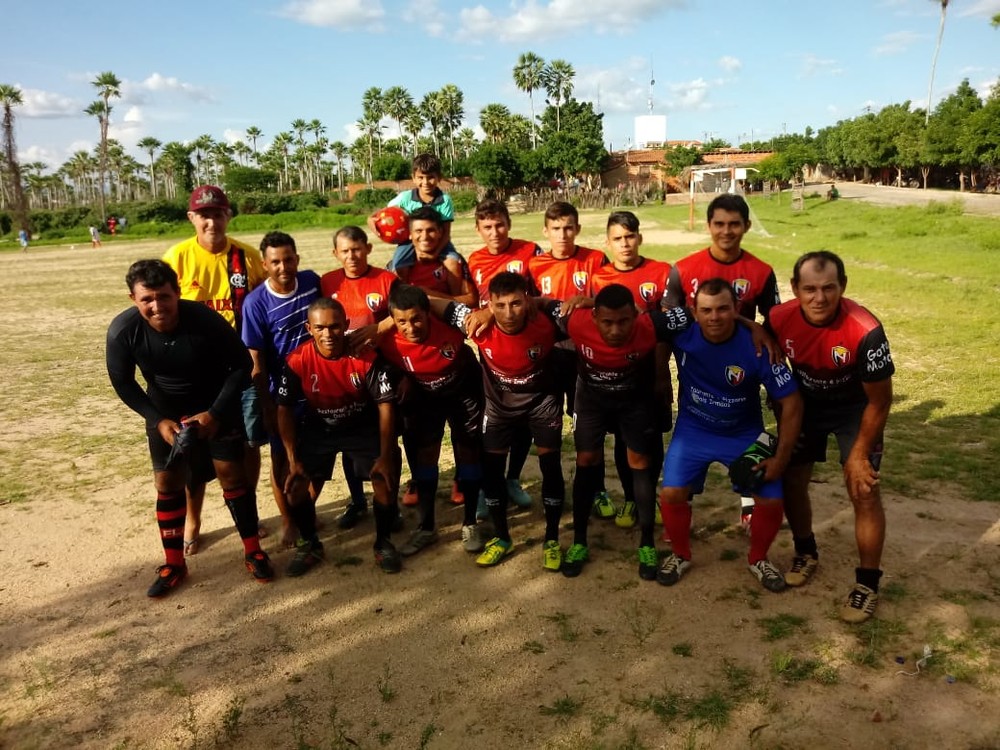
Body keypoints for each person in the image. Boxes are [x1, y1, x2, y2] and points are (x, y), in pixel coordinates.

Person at [106, 260, 272, 598]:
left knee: (232, 475)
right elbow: (123, 382)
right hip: (164, 412)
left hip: (215, 405)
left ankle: (254, 551)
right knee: (167, 482)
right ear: (133, 299)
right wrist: (157, 420)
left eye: (164, 297)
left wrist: (215, 414)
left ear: (177, 293)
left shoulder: (204, 320)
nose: (157, 306)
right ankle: (174, 564)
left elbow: (241, 366)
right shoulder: (123, 331)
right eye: (147, 299)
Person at [767, 251, 894, 622]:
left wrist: (858, 454)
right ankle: (805, 551)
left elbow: (881, 401)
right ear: (795, 288)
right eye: (809, 289)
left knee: (863, 490)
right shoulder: (778, 317)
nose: (819, 298)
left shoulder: (865, 329)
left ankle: (867, 584)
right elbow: (759, 334)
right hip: (807, 405)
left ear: (843, 287)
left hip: (857, 409)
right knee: (792, 479)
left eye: (828, 288)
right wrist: (758, 331)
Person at [656, 279, 802, 592]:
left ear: (736, 309)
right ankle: (680, 554)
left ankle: (758, 558)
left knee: (772, 499)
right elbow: (643, 325)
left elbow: (792, 401)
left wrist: (781, 457)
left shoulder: (759, 346)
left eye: (723, 309)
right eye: (706, 310)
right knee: (671, 493)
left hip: (743, 432)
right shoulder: (682, 334)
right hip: (693, 430)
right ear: (694, 312)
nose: (714, 317)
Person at [557, 284, 693, 580]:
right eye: (607, 322)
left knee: (639, 462)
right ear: (594, 316)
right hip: (592, 403)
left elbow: (696, 313)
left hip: (633, 402)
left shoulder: (652, 323)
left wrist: (753, 327)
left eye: (623, 321)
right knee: (586, 460)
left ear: (636, 315)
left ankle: (646, 543)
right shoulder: (574, 320)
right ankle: (579, 541)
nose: (616, 330)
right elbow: (537, 307)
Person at [665, 193, 781, 529]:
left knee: (744, 424)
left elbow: (774, 321)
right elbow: (670, 318)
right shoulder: (684, 269)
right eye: (719, 224)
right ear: (708, 226)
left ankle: (748, 499)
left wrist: (758, 331)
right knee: (694, 430)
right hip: (697, 368)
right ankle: (684, 503)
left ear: (746, 226)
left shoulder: (761, 271)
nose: (726, 231)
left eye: (734, 224)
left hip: (741, 371)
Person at [162, 185, 267, 554]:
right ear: (192, 218)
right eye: (203, 215)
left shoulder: (247, 257)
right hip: (194, 375)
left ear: (228, 216)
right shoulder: (176, 258)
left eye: (218, 214)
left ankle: (247, 512)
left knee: (249, 442)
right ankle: (193, 519)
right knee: (193, 448)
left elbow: (261, 306)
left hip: (240, 369)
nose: (211, 222)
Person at [436, 272, 566, 568]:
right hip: (499, 410)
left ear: (527, 301)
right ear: (490, 304)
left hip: (542, 405)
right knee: (491, 472)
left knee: (551, 467)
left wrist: (548, 303)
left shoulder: (548, 322)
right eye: (500, 305)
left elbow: (586, 313)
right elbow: (430, 302)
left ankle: (552, 540)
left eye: (516, 303)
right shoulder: (476, 324)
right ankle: (502, 538)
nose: (509, 313)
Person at [277, 298, 402, 575]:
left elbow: (385, 406)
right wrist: (293, 460)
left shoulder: (365, 356)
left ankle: (383, 543)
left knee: (384, 477)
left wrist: (385, 455)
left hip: (361, 426)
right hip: (320, 428)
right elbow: (283, 410)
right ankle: (310, 544)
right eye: (320, 328)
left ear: (345, 325)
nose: (328, 334)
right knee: (295, 485)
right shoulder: (297, 360)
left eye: (334, 327)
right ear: (309, 328)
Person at [376, 284, 485, 557]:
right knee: (426, 457)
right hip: (425, 396)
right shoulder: (385, 340)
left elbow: (480, 316)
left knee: (469, 452)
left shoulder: (451, 324)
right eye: (401, 321)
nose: (410, 327)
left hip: (464, 391)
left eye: (416, 319)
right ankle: (426, 527)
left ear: (428, 314)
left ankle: (470, 523)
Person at [526, 202, 615, 519]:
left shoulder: (595, 259)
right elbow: (525, 306)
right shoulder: (534, 265)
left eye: (568, 228)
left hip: (585, 356)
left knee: (588, 427)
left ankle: (598, 489)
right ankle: (553, 490)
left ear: (577, 229)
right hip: (549, 357)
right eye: (556, 229)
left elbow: (610, 301)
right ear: (545, 231)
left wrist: (587, 300)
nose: (562, 235)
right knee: (548, 427)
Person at [591, 211, 674, 528]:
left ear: (639, 237)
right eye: (617, 238)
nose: (624, 244)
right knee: (623, 439)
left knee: (652, 439)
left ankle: (648, 496)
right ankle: (630, 497)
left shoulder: (662, 272)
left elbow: (666, 329)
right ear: (608, 242)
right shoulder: (599, 278)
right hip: (616, 378)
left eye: (629, 236)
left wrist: (661, 373)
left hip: (652, 371)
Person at [241, 232, 321, 547]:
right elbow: (256, 362)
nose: (283, 267)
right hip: (281, 394)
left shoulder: (312, 282)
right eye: (275, 262)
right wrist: (267, 406)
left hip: (318, 387)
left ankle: (306, 512)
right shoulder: (255, 303)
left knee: (317, 457)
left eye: (288, 259)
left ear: (297, 259)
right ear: (264, 265)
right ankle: (289, 520)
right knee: (281, 460)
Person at [393, 208, 477, 508]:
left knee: (461, 427)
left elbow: (470, 301)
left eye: (431, 230)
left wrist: (428, 297)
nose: (425, 236)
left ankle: (461, 479)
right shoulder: (401, 266)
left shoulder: (450, 262)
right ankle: (417, 479)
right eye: (418, 231)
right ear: (410, 235)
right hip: (415, 361)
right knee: (416, 431)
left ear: (441, 233)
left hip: (449, 355)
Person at [465, 199, 544, 512]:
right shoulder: (474, 260)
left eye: (499, 225)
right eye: (487, 226)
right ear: (478, 229)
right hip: (491, 356)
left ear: (509, 224)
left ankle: (512, 479)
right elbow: (474, 303)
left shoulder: (531, 251)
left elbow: (540, 297)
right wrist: (485, 312)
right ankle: (488, 486)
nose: (494, 232)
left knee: (524, 421)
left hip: (527, 350)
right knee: (490, 423)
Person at [320, 225, 400, 528]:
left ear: (368, 248)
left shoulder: (386, 279)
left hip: (381, 370)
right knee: (349, 440)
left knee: (387, 439)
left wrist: (379, 328)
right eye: (345, 251)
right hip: (343, 373)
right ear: (335, 253)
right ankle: (357, 501)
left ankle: (391, 503)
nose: (352, 256)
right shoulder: (327, 282)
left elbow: (403, 312)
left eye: (356, 249)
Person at [368, 152, 463, 277]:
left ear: (439, 177)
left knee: (453, 264)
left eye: (430, 177)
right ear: (413, 178)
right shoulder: (405, 198)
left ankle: (456, 290)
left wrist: (435, 253)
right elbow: (381, 214)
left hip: (438, 241)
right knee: (399, 268)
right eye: (420, 177)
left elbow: (446, 234)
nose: (426, 182)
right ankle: (403, 288)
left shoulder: (445, 200)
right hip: (409, 242)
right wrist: (370, 220)